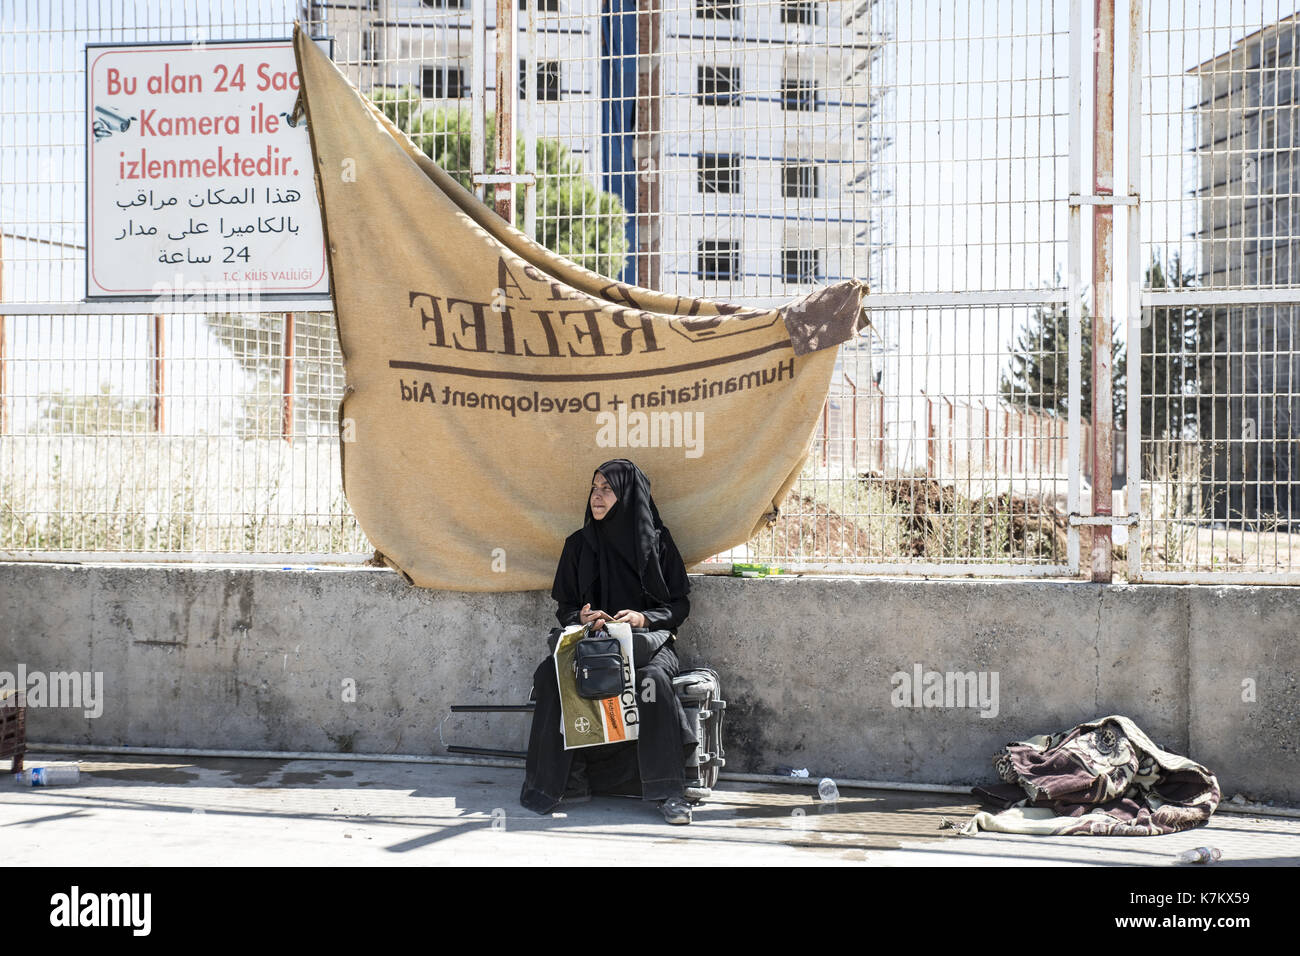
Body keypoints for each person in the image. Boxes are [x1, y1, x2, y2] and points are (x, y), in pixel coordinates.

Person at [520, 459, 699, 824]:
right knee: (551, 677)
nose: (597, 496)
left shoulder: (658, 544)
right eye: (594, 487)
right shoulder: (578, 545)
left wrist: (643, 617)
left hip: (646, 644)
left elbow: (679, 604)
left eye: (607, 489)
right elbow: (566, 607)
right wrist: (582, 619)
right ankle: (564, 780)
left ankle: (669, 791)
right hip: (591, 645)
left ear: (629, 496)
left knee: (652, 682)